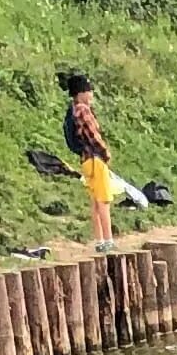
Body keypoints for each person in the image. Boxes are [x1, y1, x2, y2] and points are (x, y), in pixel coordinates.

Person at [59, 73, 115, 254]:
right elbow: (93, 136)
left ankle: (99, 240)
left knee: (94, 201)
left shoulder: (73, 110)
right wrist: (106, 153)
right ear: (81, 93)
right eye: (89, 91)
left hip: (85, 161)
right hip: (95, 159)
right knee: (103, 200)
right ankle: (108, 240)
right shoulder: (83, 110)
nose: (91, 95)